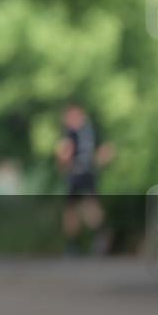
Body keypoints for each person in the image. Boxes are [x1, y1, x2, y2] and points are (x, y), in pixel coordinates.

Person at [55, 103, 114, 255]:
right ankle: (95, 236)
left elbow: (65, 154)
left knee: (77, 209)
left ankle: (77, 243)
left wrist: (64, 164)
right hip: (87, 174)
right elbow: (107, 151)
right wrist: (97, 164)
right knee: (81, 207)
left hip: (79, 175)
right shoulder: (92, 131)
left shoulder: (71, 133)